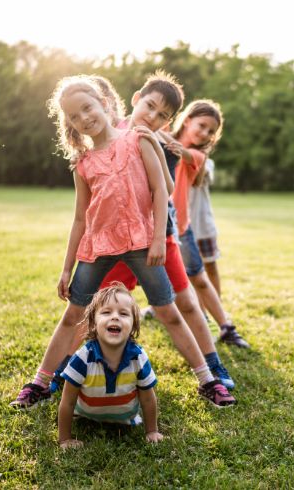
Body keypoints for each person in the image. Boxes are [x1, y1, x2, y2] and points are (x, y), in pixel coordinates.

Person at [10, 75, 235, 410]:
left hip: (143, 244)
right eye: (74, 116)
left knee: (169, 312)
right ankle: (41, 383)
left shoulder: (139, 139)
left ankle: (209, 380)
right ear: (69, 125)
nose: (84, 117)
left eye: (87, 108)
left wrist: (159, 238)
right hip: (97, 249)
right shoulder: (82, 163)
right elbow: (79, 220)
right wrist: (65, 268)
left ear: (104, 103)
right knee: (74, 315)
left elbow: (162, 190)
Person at [98, 73, 239, 388]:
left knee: (183, 303)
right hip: (117, 238)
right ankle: (84, 371)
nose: (152, 117)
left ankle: (213, 369)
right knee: (104, 304)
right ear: (136, 99)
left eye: (163, 116)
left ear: (171, 121)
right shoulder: (110, 133)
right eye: (149, 106)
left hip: (159, 235)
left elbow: (167, 189)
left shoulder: (162, 144)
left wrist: (160, 143)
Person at [168, 100, 250, 349]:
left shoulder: (198, 156)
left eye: (210, 131)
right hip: (153, 227)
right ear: (188, 118)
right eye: (202, 125)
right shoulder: (161, 139)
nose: (204, 133)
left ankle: (226, 327)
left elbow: (182, 153)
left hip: (180, 226)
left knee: (199, 278)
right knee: (171, 283)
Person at [58, 284, 162, 449]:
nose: (115, 317)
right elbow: (68, 401)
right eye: (106, 312)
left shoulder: (138, 357)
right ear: (93, 323)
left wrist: (151, 431)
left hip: (127, 420)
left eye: (124, 313)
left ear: (134, 325)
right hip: (86, 415)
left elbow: (148, 399)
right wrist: (65, 439)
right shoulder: (82, 358)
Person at [189, 157, 221, 295]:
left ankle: (217, 304)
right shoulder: (172, 156)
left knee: (210, 266)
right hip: (179, 227)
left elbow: (198, 178)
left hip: (203, 227)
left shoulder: (207, 162)